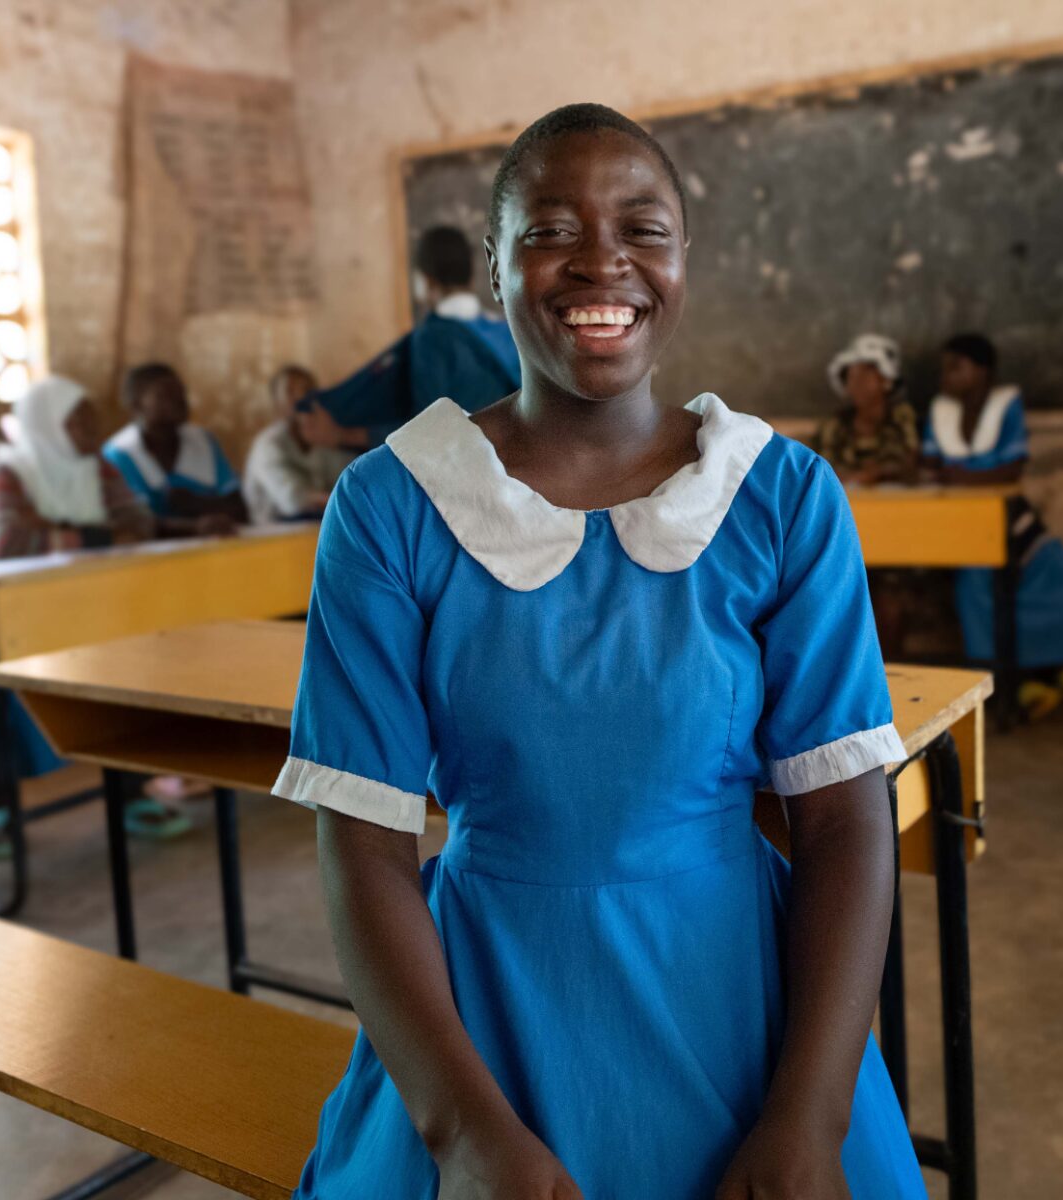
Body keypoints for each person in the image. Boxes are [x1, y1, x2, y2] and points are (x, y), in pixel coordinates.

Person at [276, 103, 925, 1199]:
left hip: (739, 1002)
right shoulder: (393, 504)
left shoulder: (777, 493)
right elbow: (366, 850)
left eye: (642, 228)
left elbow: (845, 816)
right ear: (492, 270)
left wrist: (810, 1114)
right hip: (487, 1013)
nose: (601, 263)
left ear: (681, 261)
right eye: (547, 232)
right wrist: (462, 1134)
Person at [0, 376, 188, 855]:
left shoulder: (98, 468)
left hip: (99, 612)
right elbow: (6, 543)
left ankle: (130, 794)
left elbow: (137, 523)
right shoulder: (6, 473)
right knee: (15, 696)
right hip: (23, 622)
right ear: (47, 424)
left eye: (92, 415)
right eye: (79, 418)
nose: (93, 427)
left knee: (134, 674)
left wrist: (55, 528)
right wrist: (93, 534)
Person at [923, 332, 1063, 717]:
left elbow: (1013, 467)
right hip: (955, 521)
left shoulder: (1006, 405)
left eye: (957, 367)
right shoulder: (941, 411)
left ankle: (1050, 670)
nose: (946, 376)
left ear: (982, 372)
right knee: (978, 585)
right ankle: (1007, 680)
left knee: (1053, 569)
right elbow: (932, 466)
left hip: (1008, 514)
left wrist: (960, 478)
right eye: (945, 367)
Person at [294, 226, 522, 451]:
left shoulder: (432, 339)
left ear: (427, 282)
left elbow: (427, 428)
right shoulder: (506, 331)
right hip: (510, 465)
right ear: (472, 279)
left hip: (459, 466)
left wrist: (340, 435)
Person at [102, 362, 246, 532]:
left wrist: (195, 502)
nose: (181, 402)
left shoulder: (203, 441)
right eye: (166, 395)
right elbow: (132, 523)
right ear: (136, 405)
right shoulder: (118, 454)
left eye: (181, 393)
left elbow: (240, 508)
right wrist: (195, 524)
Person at [243, 364, 355, 522]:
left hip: (316, 525)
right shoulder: (268, 444)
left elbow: (349, 477)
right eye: (290, 391)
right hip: (274, 534)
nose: (300, 397)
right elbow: (292, 500)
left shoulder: (320, 439)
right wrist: (347, 503)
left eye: (307, 390)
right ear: (276, 402)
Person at [814, 333, 918, 486]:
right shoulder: (834, 425)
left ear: (886, 381)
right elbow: (821, 471)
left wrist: (873, 474)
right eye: (851, 378)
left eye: (864, 376)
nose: (856, 385)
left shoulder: (902, 417)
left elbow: (910, 464)